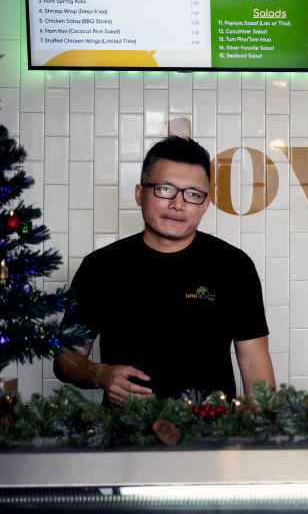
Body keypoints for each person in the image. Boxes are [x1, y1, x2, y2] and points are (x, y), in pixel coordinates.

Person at [54, 136, 275, 406]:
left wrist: (267, 434)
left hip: (212, 435)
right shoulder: (100, 267)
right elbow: (65, 359)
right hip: (124, 436)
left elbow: (255, 364)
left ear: (205, 204)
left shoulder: (233, 266)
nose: (178, 204)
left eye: (193, 194)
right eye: (165, 189)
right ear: (139, 194)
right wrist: (98, 373)